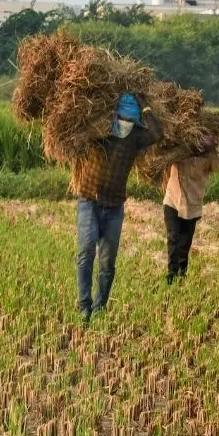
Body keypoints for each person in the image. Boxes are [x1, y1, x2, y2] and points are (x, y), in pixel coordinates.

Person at [74, 93, 163, 323]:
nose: (125, 124)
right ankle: (84, 305)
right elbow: (78, 125)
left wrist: (145, 108)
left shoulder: (135, 137)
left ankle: (99, 307)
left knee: (107, 262)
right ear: (115, 115)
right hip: (89, 201)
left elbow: (157, 134)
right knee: (86, 252)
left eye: (130, 121)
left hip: (114, 207)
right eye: (123, 118)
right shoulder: (100, 131)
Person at [163, 133, 219, 284]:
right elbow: (163, 148)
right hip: (172, 200)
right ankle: (171, 275)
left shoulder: (207, 159)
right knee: (173, 238)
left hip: (192, 206)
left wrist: (217, 143)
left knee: (185, 244)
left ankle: (181, 275)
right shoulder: (179, 152)